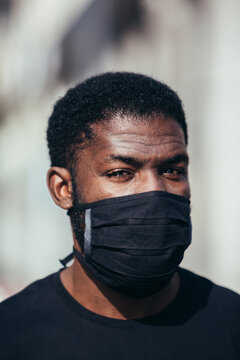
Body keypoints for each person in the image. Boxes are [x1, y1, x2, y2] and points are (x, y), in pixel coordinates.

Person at [0, 72, 239, 359]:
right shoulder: (12, 335)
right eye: (121, 173)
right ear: (63, 188)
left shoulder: (231, 325)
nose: (154, 191)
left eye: (172, 171)